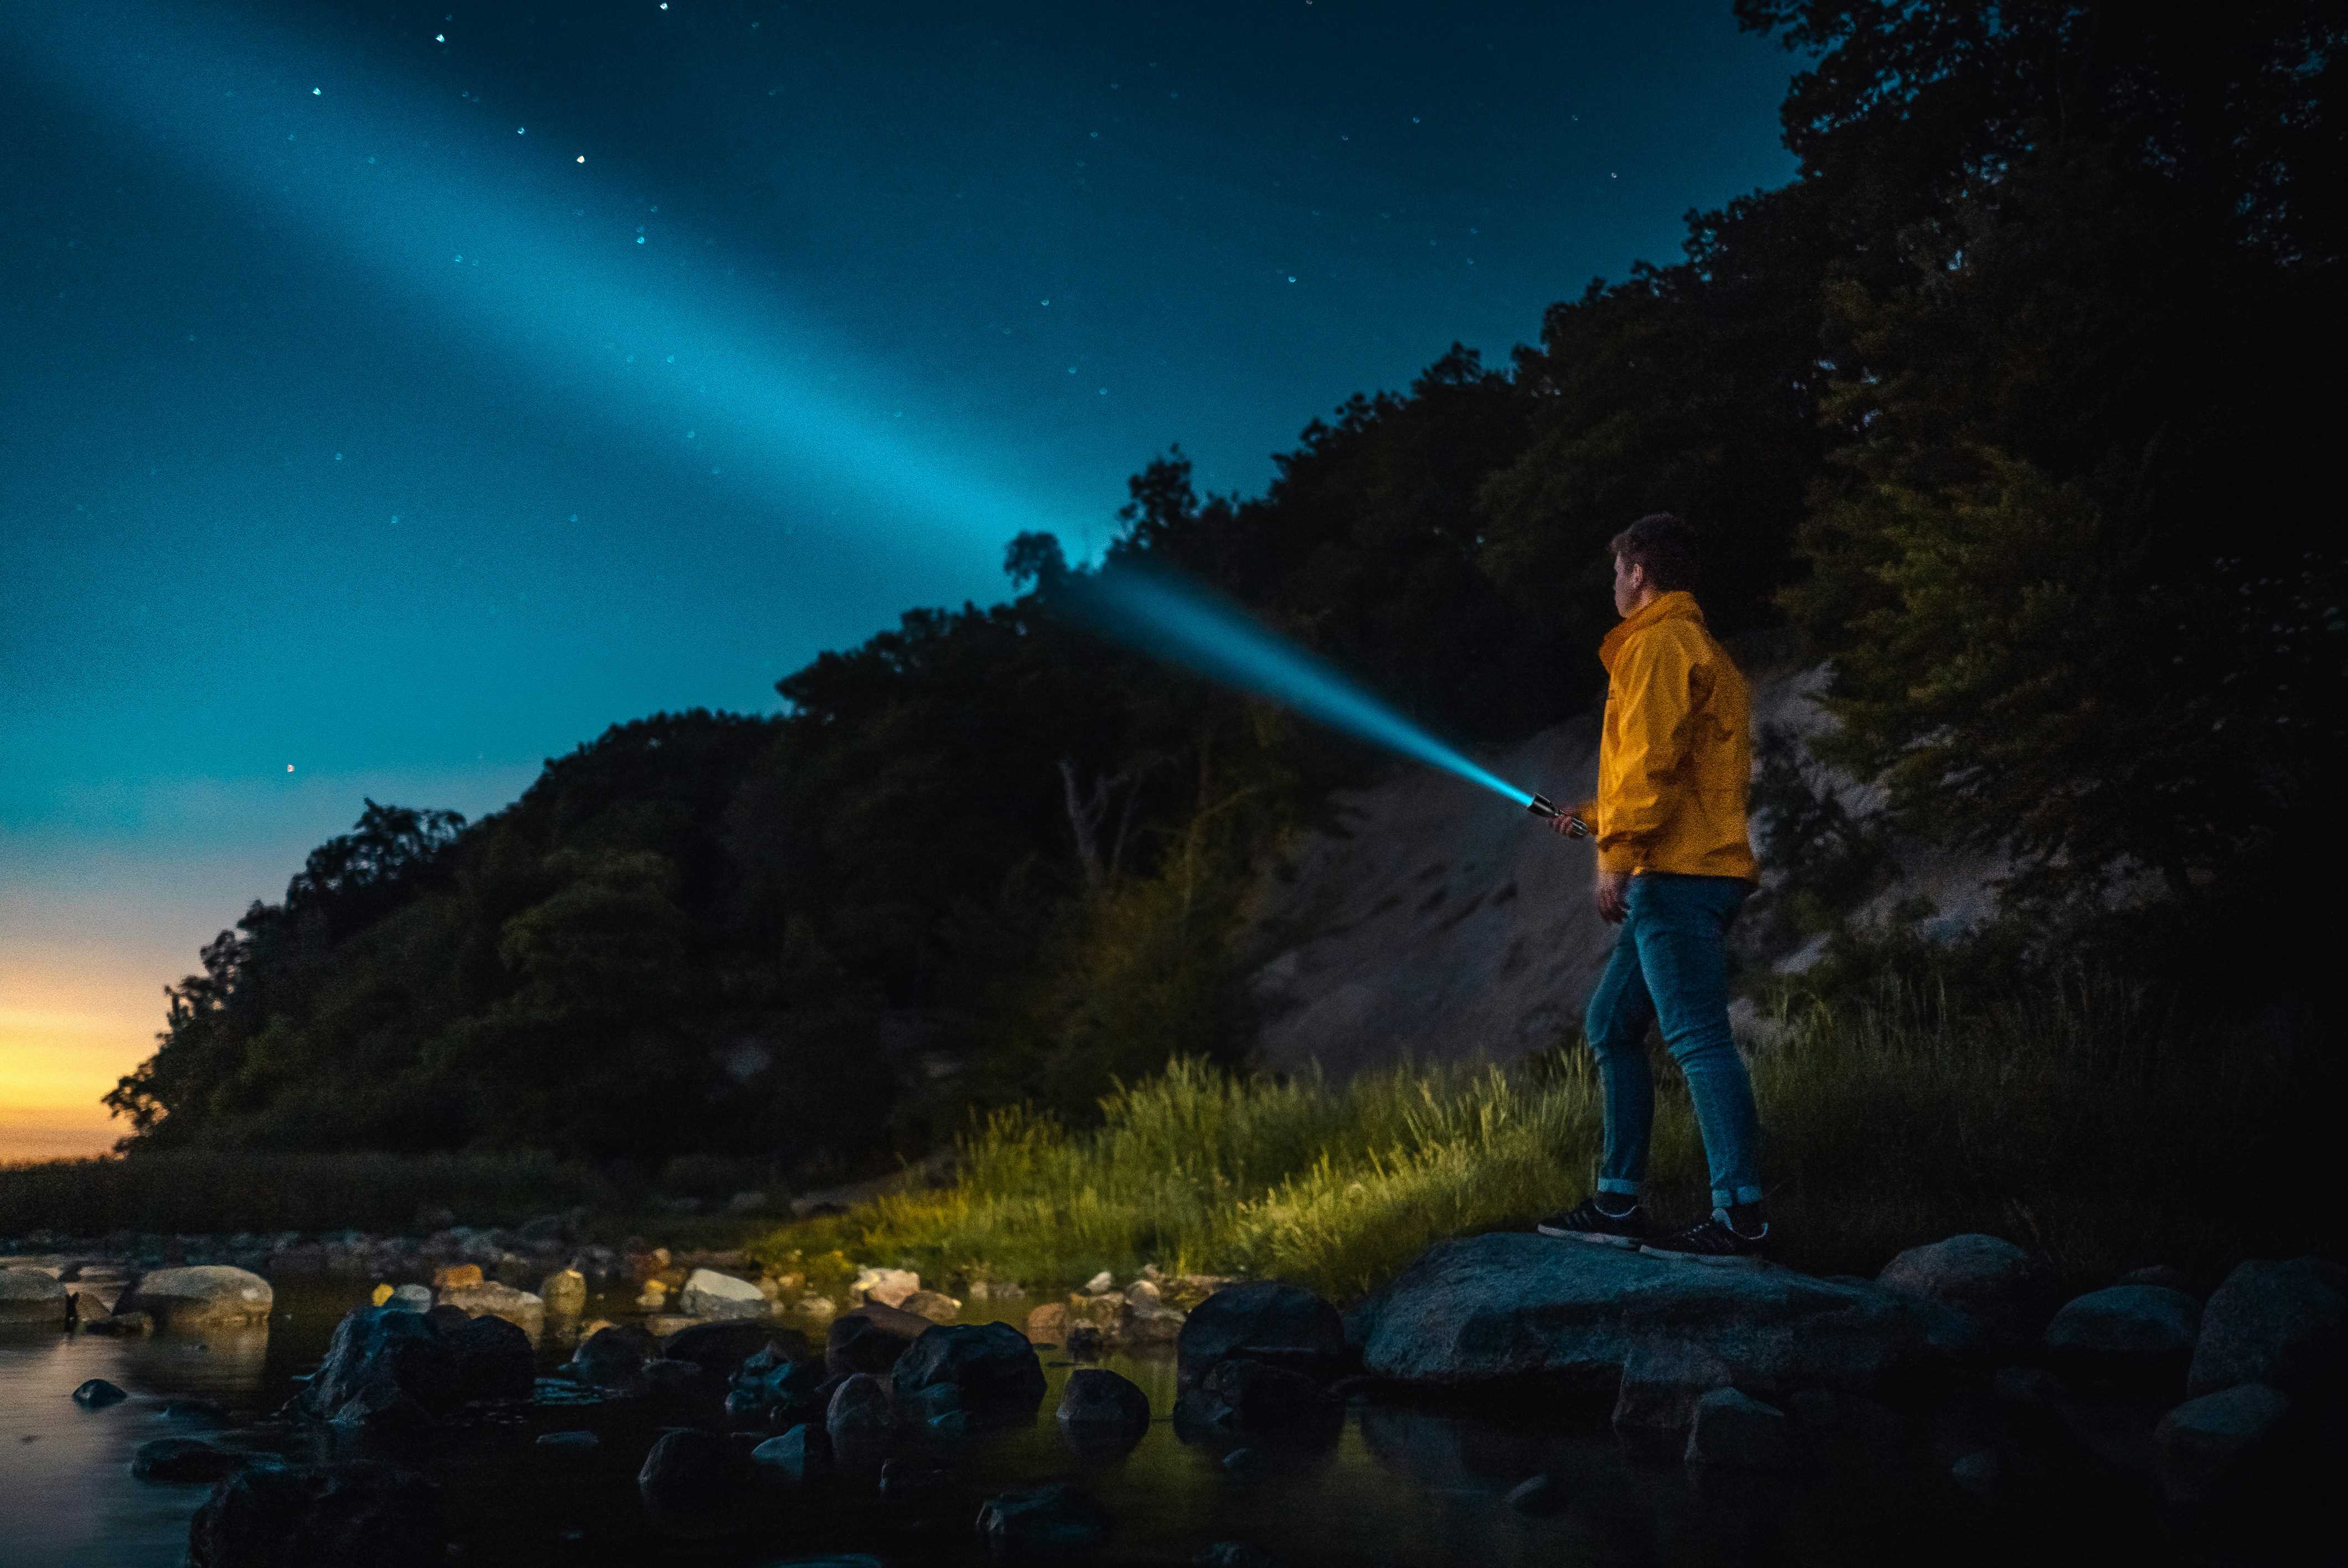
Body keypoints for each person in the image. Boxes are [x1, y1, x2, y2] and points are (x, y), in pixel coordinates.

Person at [1534, 513, 1770, 1264]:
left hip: (1678, 877)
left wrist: (1617, 854)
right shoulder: (1701, 651)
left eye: (1616, 571)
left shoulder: (1660, 644)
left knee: (1698, 1037)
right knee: (1611, 1024)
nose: (1613, 583)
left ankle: (1741, 1219)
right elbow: (1680, 772)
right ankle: (1617, 1202)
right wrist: (1597, 818)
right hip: (1686, 866)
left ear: (1639, 571)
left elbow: (1653, 761)